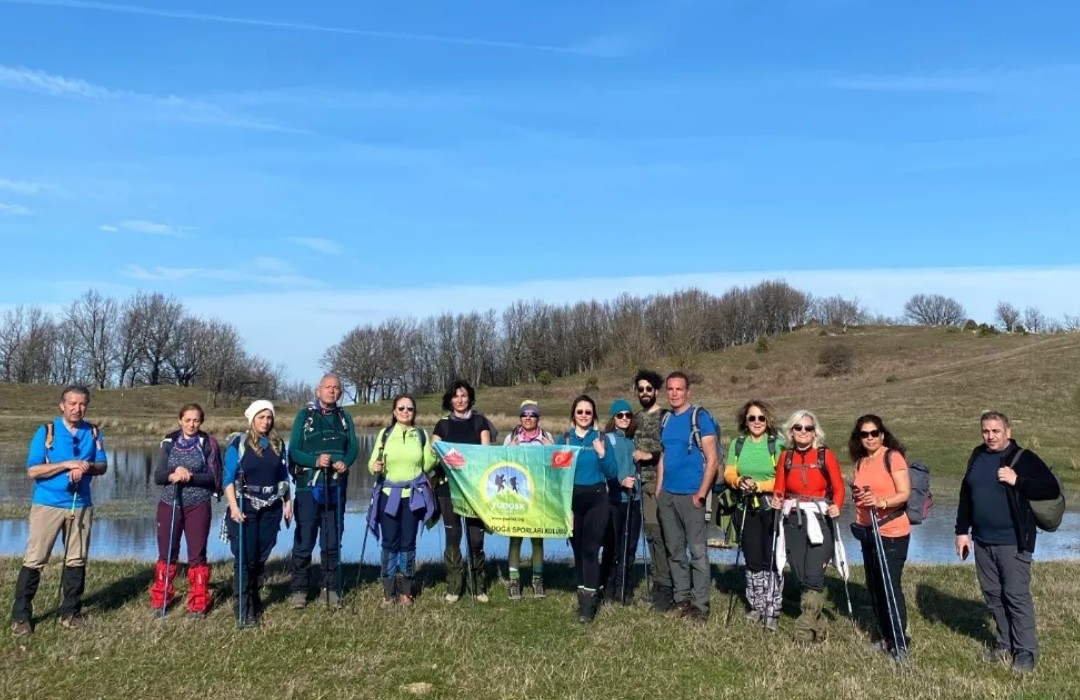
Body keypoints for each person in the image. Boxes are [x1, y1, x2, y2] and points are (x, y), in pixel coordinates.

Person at [954, 410, 1060, 673]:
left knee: (1015, 595)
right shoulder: (977, 456)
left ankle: (1025, 652)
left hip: (1013, 541)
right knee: (993, 595)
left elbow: (1050, 488)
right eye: (986, 431)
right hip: (981, 540)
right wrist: (961, 531)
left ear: (1008, 432)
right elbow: (966, 494)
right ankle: (1004, 643)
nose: (990, 436)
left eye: (996, 431)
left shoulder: (1022, 458)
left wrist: (1017, 480)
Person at [10, 385, 108, 636]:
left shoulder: (94, 432)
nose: (77, 408)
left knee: (76, 559)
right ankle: (21, 617)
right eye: (72, 403)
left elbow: (102, 465)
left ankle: (71, 614)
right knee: (35, 559)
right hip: (48, 504)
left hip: (81, 503)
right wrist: (66, 465)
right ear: (62, 405)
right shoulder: (46, 431)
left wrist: (86, 467)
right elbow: (33, 471)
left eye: (82, 404)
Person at [771, 409, 845, 644]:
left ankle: (803, 631)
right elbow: (780, 487)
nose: (803, 432)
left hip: (819, 520)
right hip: (792, 520)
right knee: (801, 576)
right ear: (791, 432)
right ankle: (819, 625)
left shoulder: (825, 455)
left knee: (814, 575)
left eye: (808, 428)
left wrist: (837, 506)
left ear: (815, 433)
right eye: (798, 428)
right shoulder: (786, 457)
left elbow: (839, 488)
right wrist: (777, 497)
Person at [287, 373, 358, 609]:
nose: (332, 391)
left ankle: (331, 589)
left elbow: (354, 448)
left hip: (336, 486)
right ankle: (299, 589)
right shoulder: (304, 416)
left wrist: (345, 463)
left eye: (336, 388)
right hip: (309, 486)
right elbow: (294, 450)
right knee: (305, 538)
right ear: (318, 391)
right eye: (327, 387)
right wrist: (315, 460)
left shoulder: (345, 418)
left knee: (332, 539)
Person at [656, 371, 720, 624]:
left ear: (688, 392)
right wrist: (660, 491)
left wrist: (701, 493)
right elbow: (664, 457)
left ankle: (700, 605)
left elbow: (712, 459)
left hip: (692, 495)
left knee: (697, 552)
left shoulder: (700, 418)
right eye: (670, 389)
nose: (674, 393)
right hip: (668, 496)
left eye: (679, 389)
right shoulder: (666, 420)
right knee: (675, 551)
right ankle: (681, 598)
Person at [149, 403, 222, 619]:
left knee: (197, 554)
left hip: (198, 505)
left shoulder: (208, 443)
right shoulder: (169, 442)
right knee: (167, 552)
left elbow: (214, 478)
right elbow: (158, 476)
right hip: (169, 504)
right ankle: (161, 598)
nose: (191, 424)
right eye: (187, 420)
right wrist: (173, 472)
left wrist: (190, 476)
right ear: (180, 420)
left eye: (196, 420)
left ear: (201, 421)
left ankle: (198, 602)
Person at [224, 400, 293, 628]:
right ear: (252, 419)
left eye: (269, 417)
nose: (265, 421)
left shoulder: (277, 444)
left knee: (260, 558)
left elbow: (283, 475)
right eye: (261, 417)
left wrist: (287, 502)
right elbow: (228, 479)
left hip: (271, 508)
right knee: (245, 560)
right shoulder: (238, 443)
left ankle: (255, 599)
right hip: (245, 508)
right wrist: (234, 507)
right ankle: (244, 609)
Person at [848, 414, 911, 659]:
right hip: (867, 531)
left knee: (889, 587)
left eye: (874, 433)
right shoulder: (861, 463)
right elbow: (861, 495)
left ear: (882, 435)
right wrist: (859, 497)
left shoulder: (892, 457)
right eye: (865, 434)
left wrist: (881, 501)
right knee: (874, 587)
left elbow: (904, 493)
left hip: (891, 530)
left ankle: (900, 642)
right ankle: (883, 635)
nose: (870, 438)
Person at [368, 394, 436, 607]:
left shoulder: (421, 435)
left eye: (409, 409)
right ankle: (388, 593)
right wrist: (375, 467)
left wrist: (437, 451)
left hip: (413, 498)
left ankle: (406, 591)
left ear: (414, 412)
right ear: (394, 411)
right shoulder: (385, 434)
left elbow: (428, 465)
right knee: (389, 544)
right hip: (389, 496)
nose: (406, 412)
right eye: (401, 408)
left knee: (408, 544)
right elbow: (372, 464)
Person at [432, 379, 492, 603]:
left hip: (475, 489)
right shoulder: (442, 425)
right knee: (453, 536)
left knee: (475, 539)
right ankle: (454, 587)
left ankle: (478, 586)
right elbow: (435, 451)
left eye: (464, 395)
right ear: (449, 400)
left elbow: (486, 454)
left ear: (470, 398)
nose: (460, 399)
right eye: (456, 396)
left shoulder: (480, 422)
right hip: (448, 488)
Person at [724, 400, 782, 631]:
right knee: (752, 559)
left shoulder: (777, 445)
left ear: (767, 421)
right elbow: (729, 472)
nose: (756, 422)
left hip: (771, 509)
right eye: (752, 418)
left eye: (761, 418)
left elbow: (783, 479)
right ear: (745, 421)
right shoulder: (737, 444)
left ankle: (772, 609)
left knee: (771, 560)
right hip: (744, 508)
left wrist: (759, 485)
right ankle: (756, 606)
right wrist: (738, 481)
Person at [561, 395, 618, 622]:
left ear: (593, 415)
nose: (584, 415)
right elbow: (554, 473)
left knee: (591, 551)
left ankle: (588, 607)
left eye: (588, 412)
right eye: (579, 411)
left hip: (597, 499)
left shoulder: (601, 438)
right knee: (578, 552)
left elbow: (612, 472)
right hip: (572, 502)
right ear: (573, 415)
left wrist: (602, 454)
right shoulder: (565, 439)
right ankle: (583, 597)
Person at [631, 369, 674, 612]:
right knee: (651, 536)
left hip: (662, 484)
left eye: (649, 389)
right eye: (641, 389)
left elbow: (672, 450)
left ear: (656, 391)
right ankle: (660, 585)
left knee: (663, 536)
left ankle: (667, 588)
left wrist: (650, 455)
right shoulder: (636, 417)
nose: (645, 393)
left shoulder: (666, 417)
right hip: (642, 485)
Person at [503, 399, 553, 600]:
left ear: (538, 418)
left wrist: (551, 448)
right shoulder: (511, 437)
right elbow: (501, 464)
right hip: (517, 496)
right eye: (524, 414)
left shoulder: (547, 436)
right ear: (520, 417)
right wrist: (510, 450)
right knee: (515, 539)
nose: (528, 418)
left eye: (532, 414)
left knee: (537, 539)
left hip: (539, 496)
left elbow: (557, 466)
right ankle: (514, 581)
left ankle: (537, 580)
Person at [600, 399, 641, 606]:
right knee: (613, 546)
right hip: (615, 499)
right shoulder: (606, 439)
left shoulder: (634, 440)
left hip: (635, 499)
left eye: (628, 415)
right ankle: (607, 587)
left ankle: (623, 587)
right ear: (613, 418)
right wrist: (619, 482)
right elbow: (604, 469)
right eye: (620, 415)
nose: (624, 418)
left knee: (630, 547)